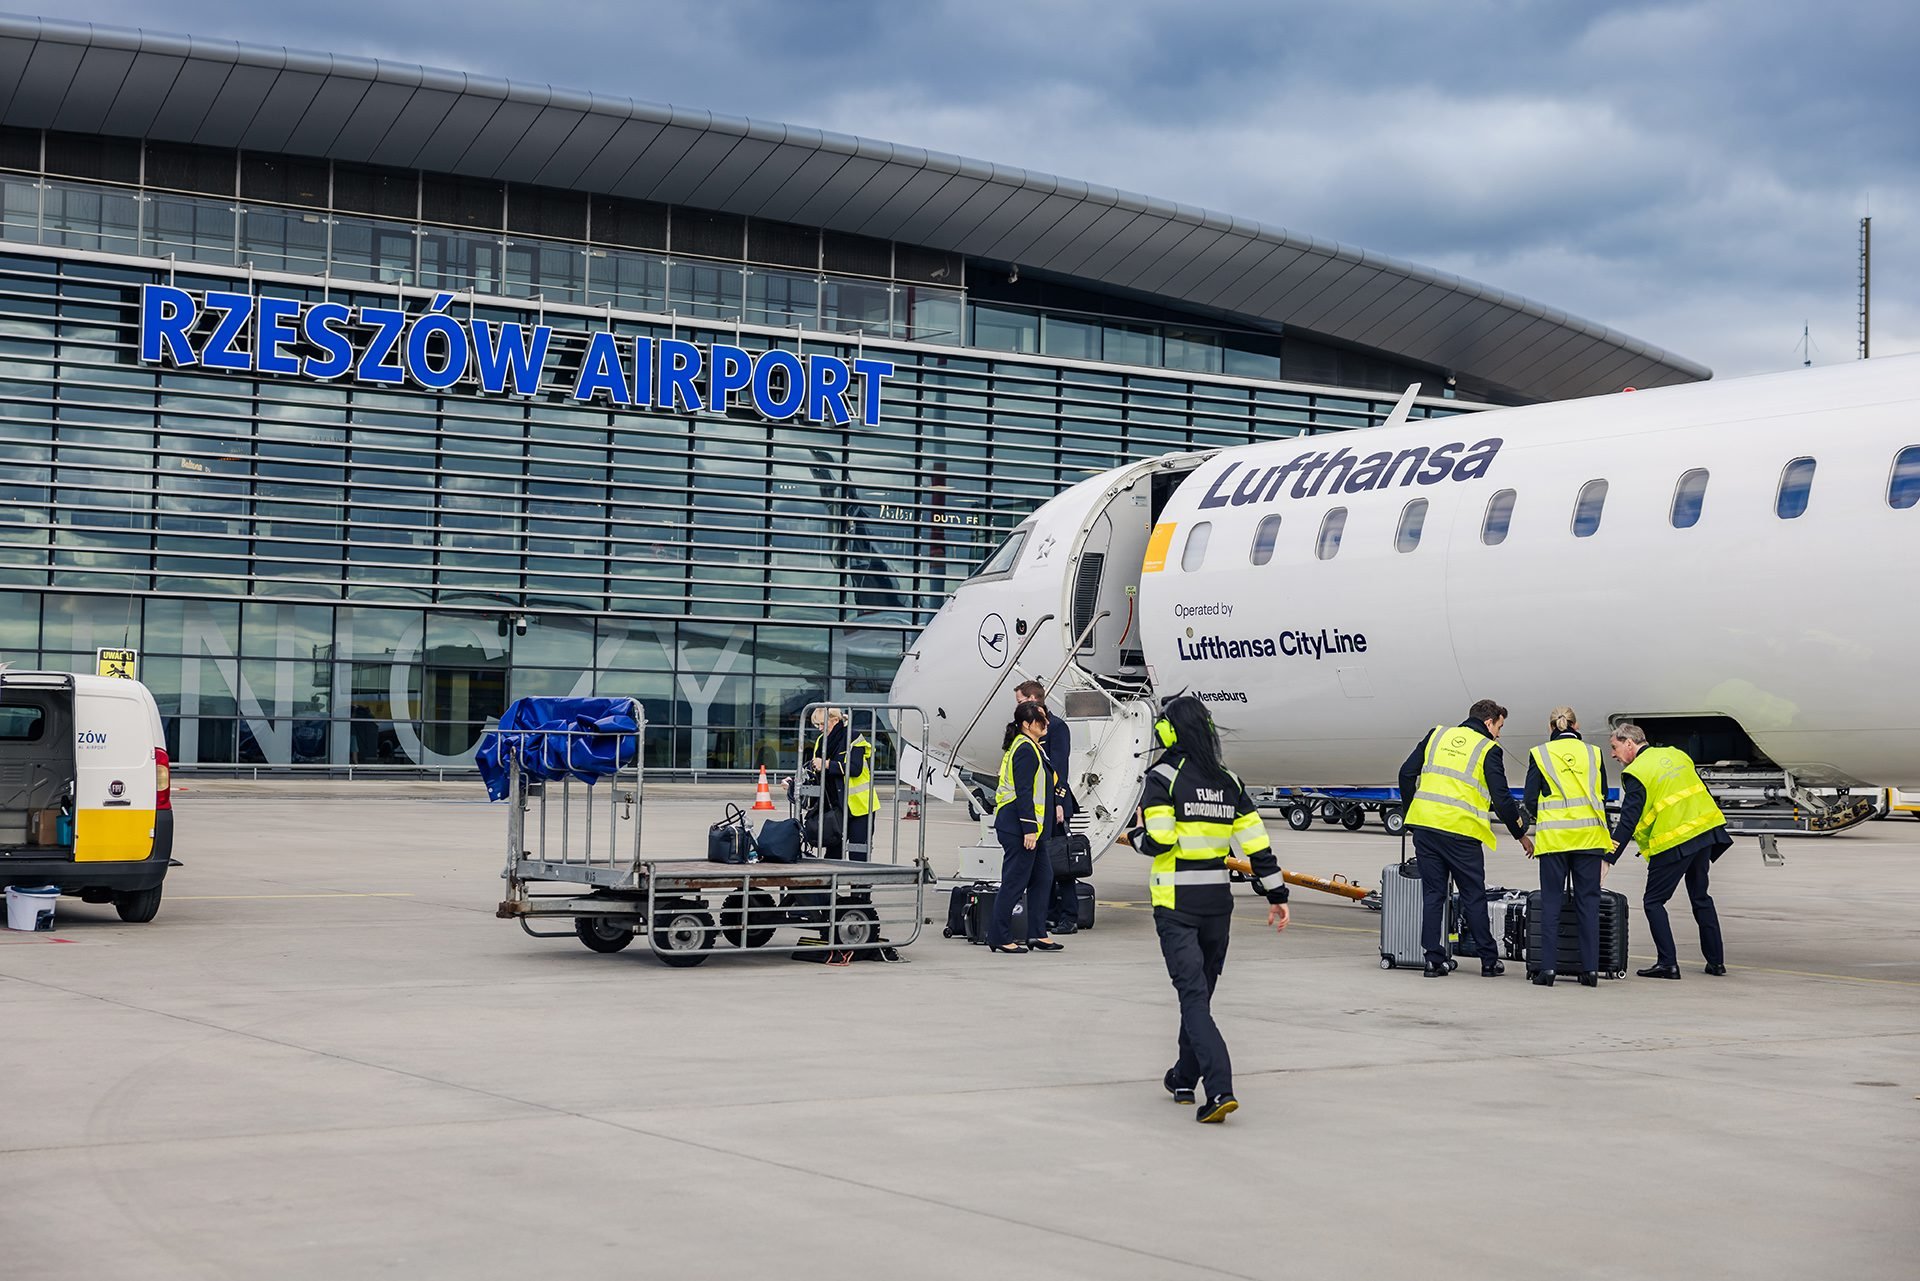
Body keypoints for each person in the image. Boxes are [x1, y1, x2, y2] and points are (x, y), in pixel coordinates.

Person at [1125, 695, 1289, 1124]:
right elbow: (1258, 847)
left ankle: (1219, 1090)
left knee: (1193, 999)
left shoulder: (1162, 777)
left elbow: (1158, 840)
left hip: (1176, 904)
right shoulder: (1229, 781)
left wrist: (1135, 835)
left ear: (1167, 732)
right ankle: (1183, 1078)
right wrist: (1277, 897)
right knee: (1200, 996)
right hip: (1218, 906)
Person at [1399, 699, 1534, 977]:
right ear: (1489, 723)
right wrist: (1520, 833)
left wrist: (1411, 813)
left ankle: (1433, 960)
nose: (1500, 734)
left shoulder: (1436, 735)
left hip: (1425, 828)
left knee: (1434, 894)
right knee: (1473, 896)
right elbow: (1502, 799)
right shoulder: (1488, 749)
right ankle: (1487, 961)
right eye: (1500, 727)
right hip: (1461, 833)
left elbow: (1405, 773)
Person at [1605, 724, 1731, 979]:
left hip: (1675, 841)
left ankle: (1668, 963)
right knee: (1700, 897)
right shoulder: (1677, 754)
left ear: (1629, 743)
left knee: (1653, 902)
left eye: (1615, 747)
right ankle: (1716, 962)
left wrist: (1608, 857)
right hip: (1704, 833)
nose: (1613, 754)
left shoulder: (1636, 772)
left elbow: (1628, 821)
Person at [1523, 707, 1610, 988]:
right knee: (1588, 905)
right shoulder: (1594, 753)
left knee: (1551, 904)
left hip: (1554, 840)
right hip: (1590, 839)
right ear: (1576, 724)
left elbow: (1529, 799)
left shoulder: (1540, 754)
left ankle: (1547, 969)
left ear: (1551, 727)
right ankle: (1590, 970)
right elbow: (1604, 792)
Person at [989, 700, 1062, 956]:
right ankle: (998, 936)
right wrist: (1029, 828)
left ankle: (1038, 933)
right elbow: (1023, 791)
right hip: (1019, 825)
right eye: (1041, 720)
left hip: (1033, 827)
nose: (1047, 724)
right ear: (1027, 725)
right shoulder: (1025, 749)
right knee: (1014, 882)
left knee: (1043, 878)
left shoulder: (1033, 746)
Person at [1012, 679, 1082, 934]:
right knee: (1044, 865)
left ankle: (1069, 916)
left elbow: (1060, 768)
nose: (1017, 706)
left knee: (1061, 862)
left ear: (1032, 699)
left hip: (1055, 806)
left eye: (1020, 701)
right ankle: (1050, 913)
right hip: (1040, 807)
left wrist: (1060, 802)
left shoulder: (1057, 728)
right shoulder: (1026, 731)